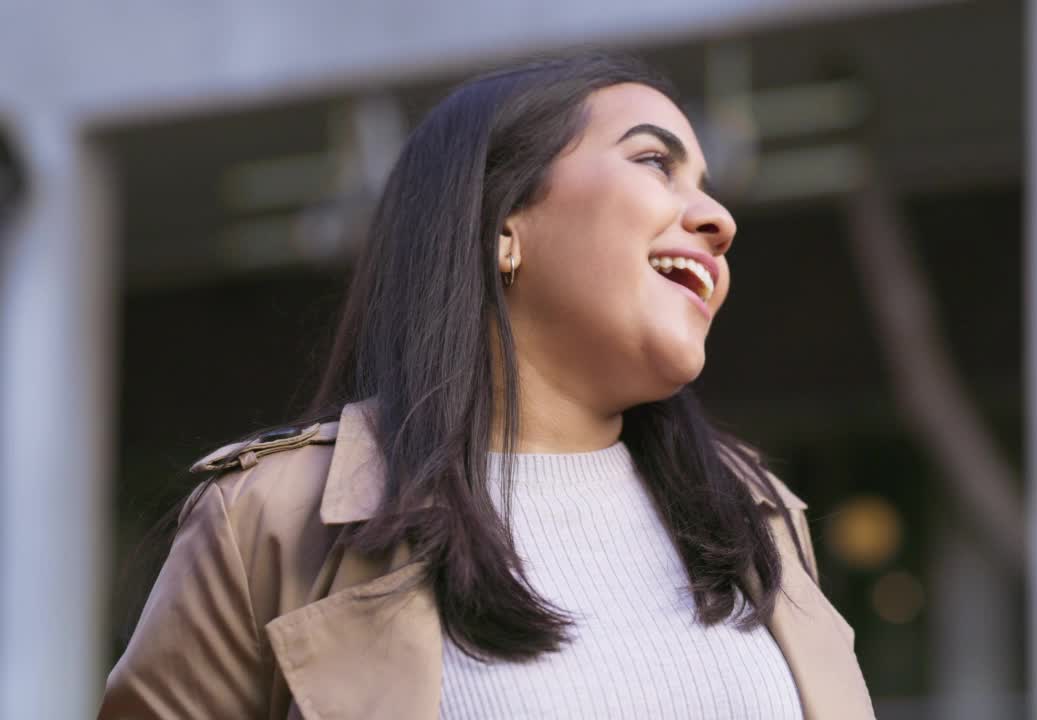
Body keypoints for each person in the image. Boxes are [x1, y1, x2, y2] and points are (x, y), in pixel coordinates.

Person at [99, 51, 875, 720]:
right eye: (653, 161)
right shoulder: (270, 518)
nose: (718, 219)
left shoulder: (759, 514)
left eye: (706, 183)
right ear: (503, 224)